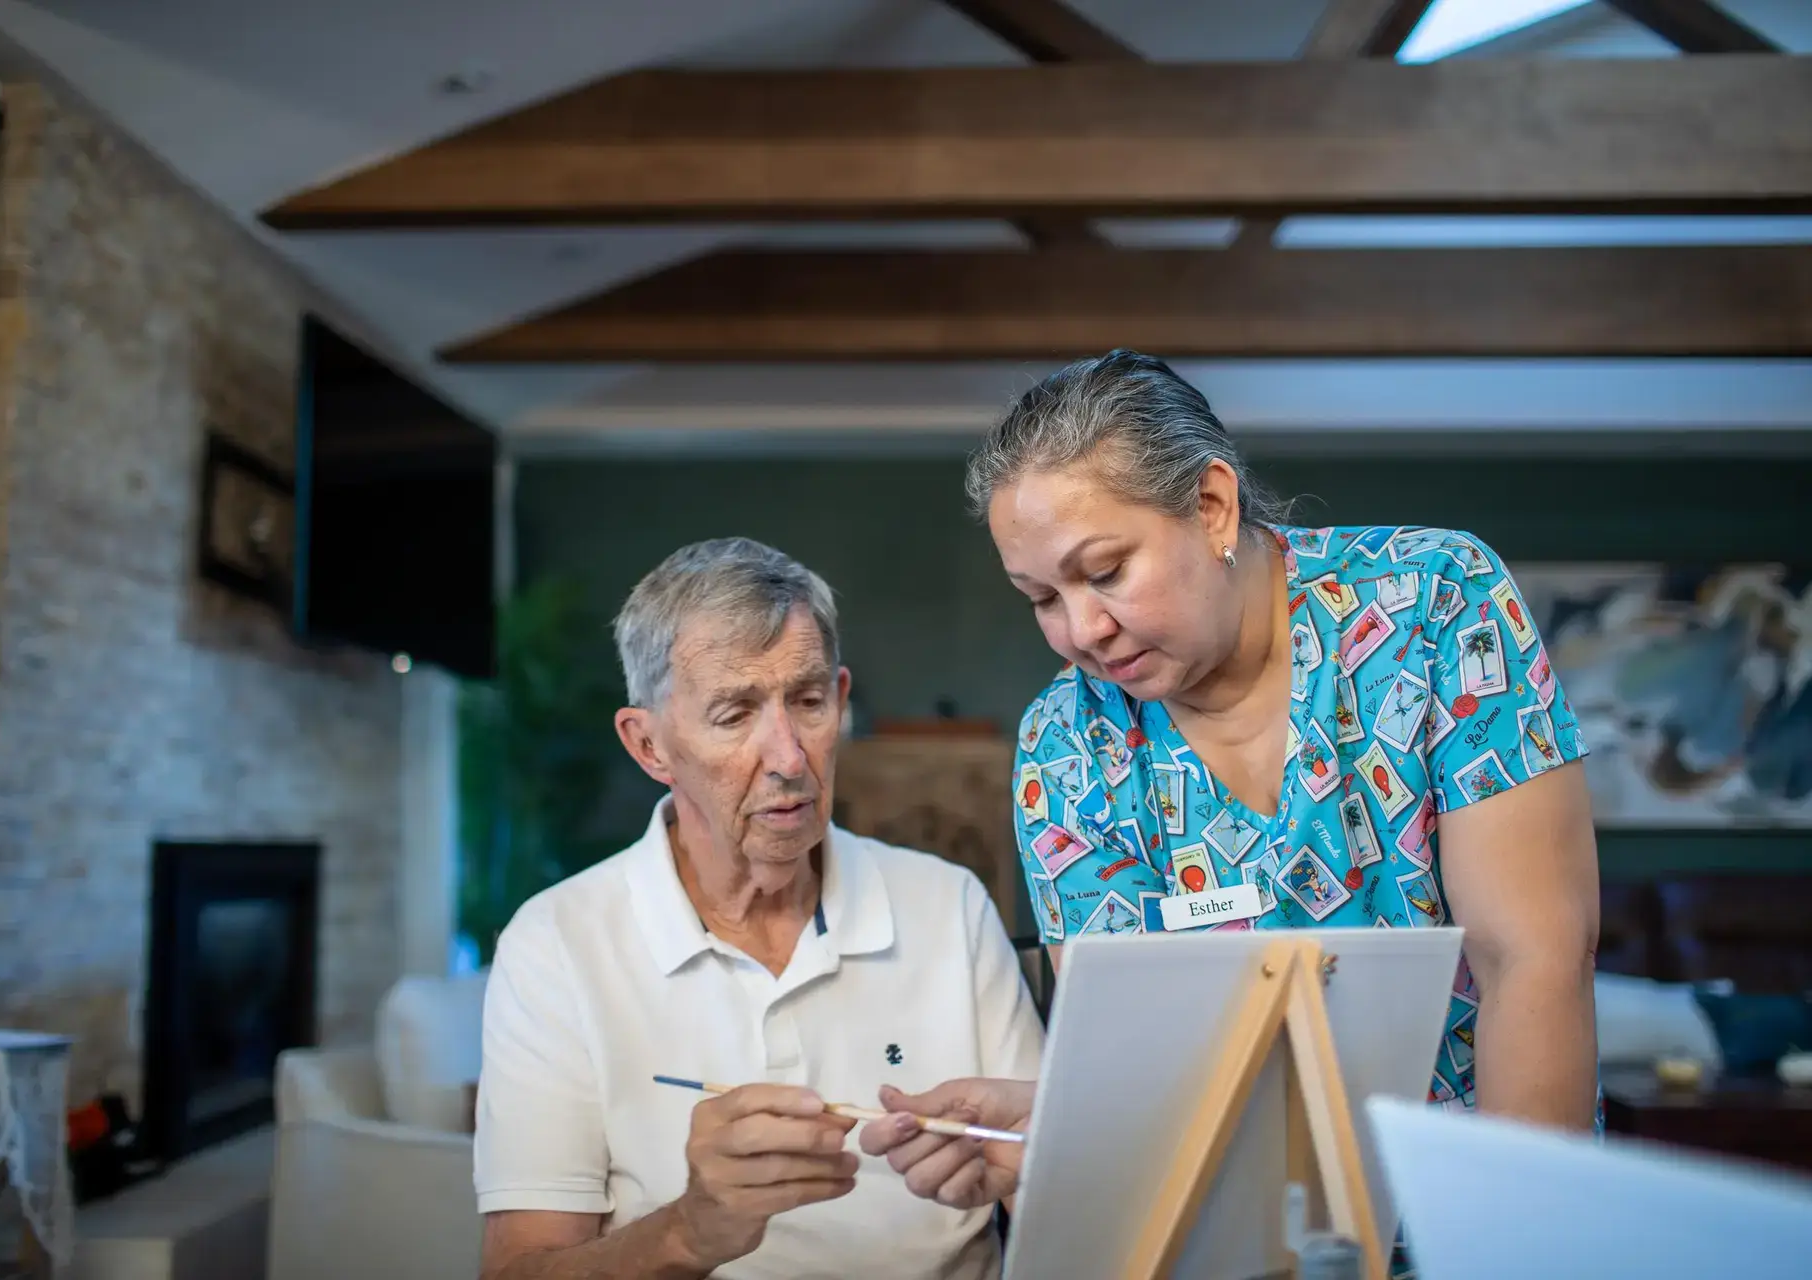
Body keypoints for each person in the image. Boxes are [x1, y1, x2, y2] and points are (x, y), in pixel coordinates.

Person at [860, 351, 1602, 1273]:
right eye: (1042, 598)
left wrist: (1508, 1256)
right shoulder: (1067, 750)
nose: (1080, 630)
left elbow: (1531, 957)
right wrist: (1053, 1123)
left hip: (1490, 1212)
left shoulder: (1436, 607)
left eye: (1106, 572)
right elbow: (1147, 1068)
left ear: (1212, 506)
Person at [475, 537, 1045, 1280]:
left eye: (807, 702)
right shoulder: (555, 944)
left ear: (840, 701)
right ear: (648, 745)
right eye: (735, 713)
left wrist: (1032, 1175)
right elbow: (516, 1271)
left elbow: (1071, 1195)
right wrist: (688, 1233)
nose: (787, 756)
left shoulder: (951, 907)